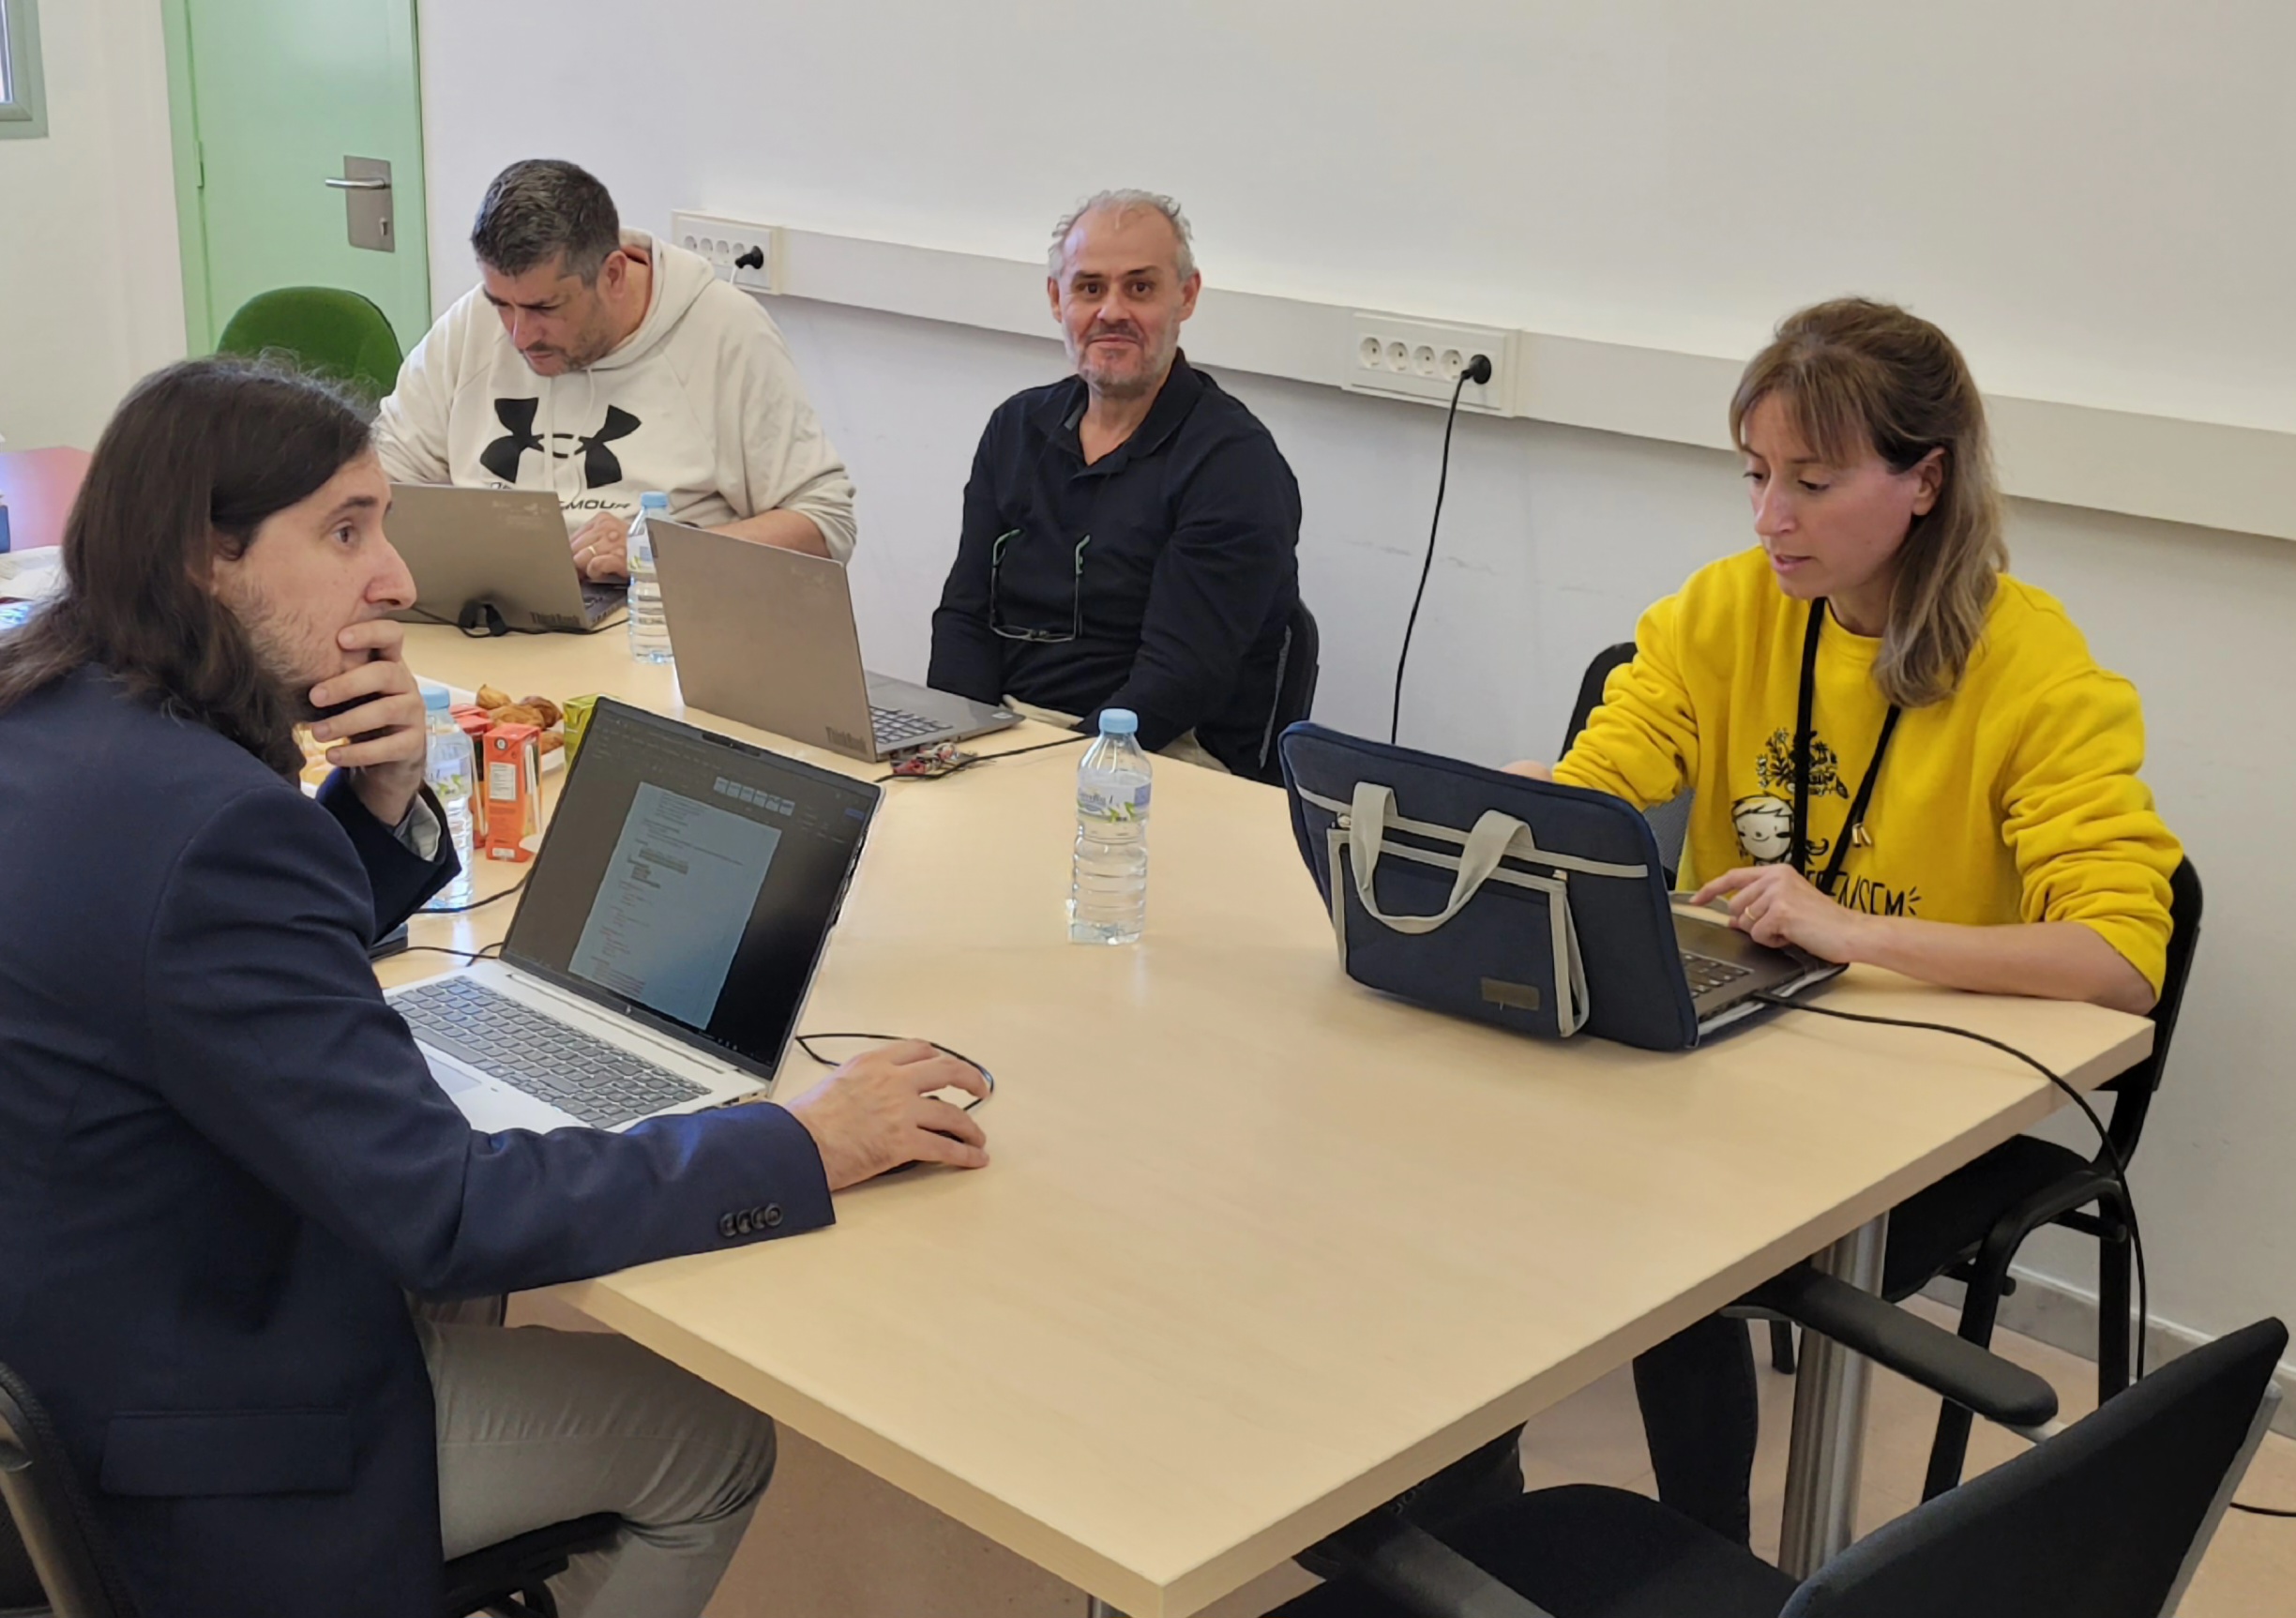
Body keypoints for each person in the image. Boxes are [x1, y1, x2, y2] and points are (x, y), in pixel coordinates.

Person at [0, 357, 989, 1618]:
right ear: (208, 556)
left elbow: (174, 961)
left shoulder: (47, 714)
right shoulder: (216, 830)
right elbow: (448, 1212)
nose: (394, 578)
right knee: (714, 1443)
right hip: (183, 1436)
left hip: (67, 1315)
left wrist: (375, 807)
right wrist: (801, 1143)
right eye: (346, 531)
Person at [1512, 297, 2181, 1544]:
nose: (1771, 517)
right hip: (1738, 1044)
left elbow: (2119, 960)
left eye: (1812, 483)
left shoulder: (2034, 668)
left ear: (1925, 481)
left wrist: (1850, 931)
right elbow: (1605, 779)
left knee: (1676, 1235)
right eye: (1756, 474)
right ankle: (1545, 1528)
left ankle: (1716, 1550)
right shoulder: (1727, 610)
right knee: (1520, 1167)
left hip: (1926, 1085)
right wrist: (1513, 807)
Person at [927, 189, 1302, 776]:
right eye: (1090, 287)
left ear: (1187, 296)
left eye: (1141, 288)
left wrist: (1047, 774)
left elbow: (1179, 680)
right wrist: (958, 746)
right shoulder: (1015, 429)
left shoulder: (1234, 464)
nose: (1111, 312)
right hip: (1006, 734)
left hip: (1161, 754)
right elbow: (963, 617)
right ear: (1058, 299)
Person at [375, 159, 854, 582]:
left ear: (613, 275)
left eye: (545, 308)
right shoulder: (472, 324)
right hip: (493, 620)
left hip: (654, 623)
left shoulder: (724, 332)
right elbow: (380, 483)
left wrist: (659, 553)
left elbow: (825, 522)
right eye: (501, 303)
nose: (519, 335)